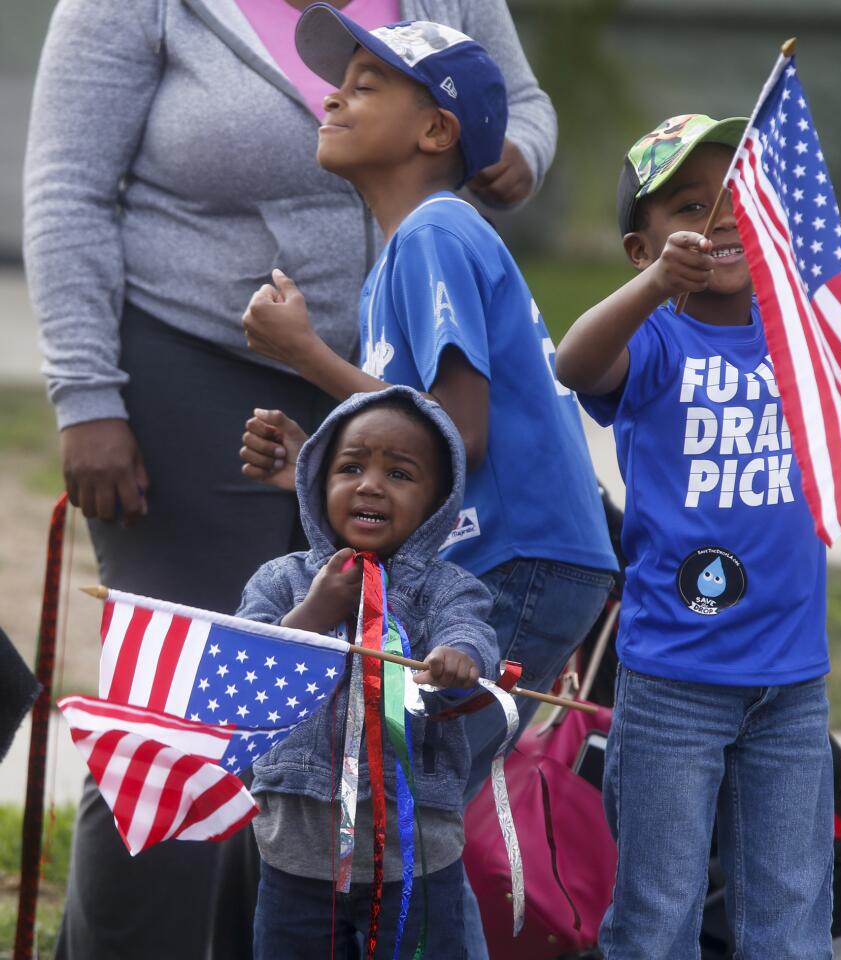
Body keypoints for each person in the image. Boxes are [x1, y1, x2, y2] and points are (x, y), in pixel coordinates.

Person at [23, 0, 555, 955]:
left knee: (325, 726)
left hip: (383, 392)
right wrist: (87, 394)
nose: (338, 99)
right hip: (189, 365)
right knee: (197, 710)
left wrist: (512, 147)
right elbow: (65, 185)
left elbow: (523, 102)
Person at [236, 12, 616, 952]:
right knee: (403, 793)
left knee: (414, 795)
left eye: (365, 85)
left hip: (521, 555)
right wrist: (316, 463)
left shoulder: (436, 231)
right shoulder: (406, 250)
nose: (332, 94)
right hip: (523, 554)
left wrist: (305, 354)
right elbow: (416, 440)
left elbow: (457, 434)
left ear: (436, 130)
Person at [553, 115, 841, 959]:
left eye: (736, 200)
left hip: (792, 685)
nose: (719, 220)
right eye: (688, 206)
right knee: (657, 916)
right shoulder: (653, 338)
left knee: (791, 918)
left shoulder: (804, 330)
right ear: (641, 251)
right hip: (673, 683)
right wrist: (651, 295)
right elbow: (575, 364)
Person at [238, 385, 497, 958]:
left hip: (417, 860)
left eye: (400, 474)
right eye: (350, 467)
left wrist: (462, 658)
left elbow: (472, 632)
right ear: (318, 483)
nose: (371, 484)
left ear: (437, 504)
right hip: (296, 856)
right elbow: (250, 665)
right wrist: (315, 613)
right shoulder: (280, 581)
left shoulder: (446, 588)